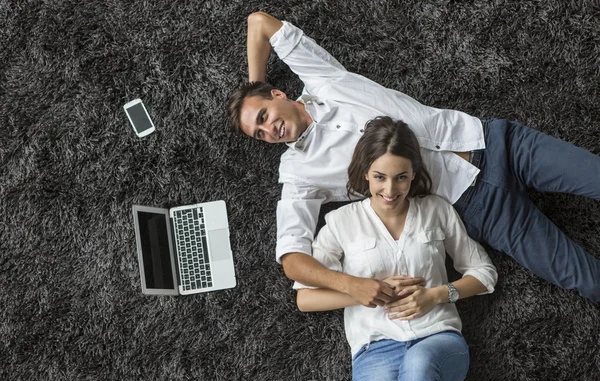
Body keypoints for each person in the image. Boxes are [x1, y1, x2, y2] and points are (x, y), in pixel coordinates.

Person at [226, 12, 600, 302]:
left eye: (263, 116)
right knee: (584, 279)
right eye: (259, 134)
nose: (269, 130)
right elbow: (292, 258)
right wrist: (353, 286)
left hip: (498, 143)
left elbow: (259, 23)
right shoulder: (298, 172)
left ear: (278, 95)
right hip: (476, 207)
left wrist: (250, 86)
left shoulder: (323, 78)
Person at [294, 116, 498, 381]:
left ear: (413, 174)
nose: (390, 191)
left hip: (438, 340)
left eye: (401, 177)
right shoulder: (341, 222)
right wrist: (361, 290)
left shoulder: (436, 210)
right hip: (374, 350)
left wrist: (438, 295)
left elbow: (484, 272)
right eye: (380, 177)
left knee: (418, 363)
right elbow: (305, 299)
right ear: (365, 172)